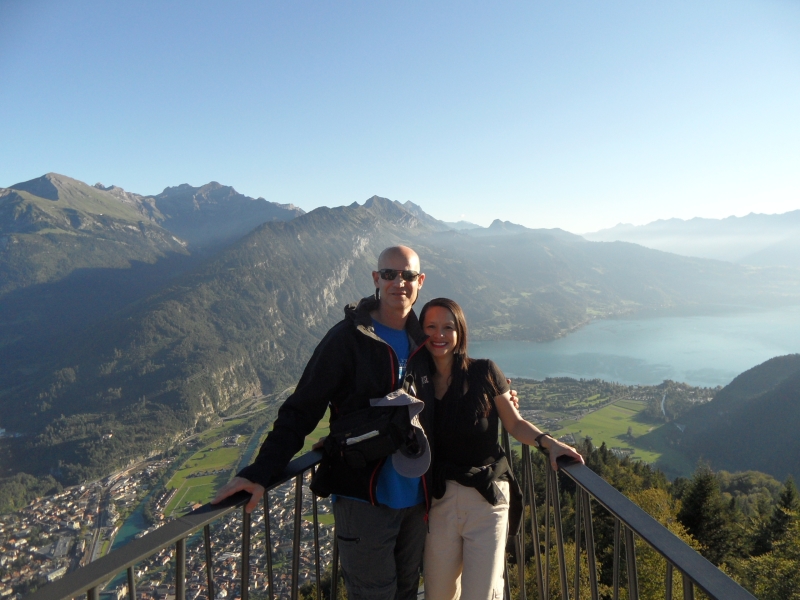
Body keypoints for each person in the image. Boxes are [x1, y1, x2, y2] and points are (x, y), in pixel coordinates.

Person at [212, 245, 434, 600]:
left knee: (407, 590)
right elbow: (302, 408)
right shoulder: (348, 339)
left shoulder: (424, 339)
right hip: (364, 498)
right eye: (389, 274)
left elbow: (450, 390)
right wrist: (261, 471)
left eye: (407, 275)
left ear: (420, 281)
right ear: (376, 279)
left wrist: (498, 394)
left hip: (416, 498)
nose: (399, 282)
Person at [419, 297, 585, 600]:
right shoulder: (417, 383)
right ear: (420, 332)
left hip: (486, 497)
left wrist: (548, 443)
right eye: (431, 327)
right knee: (438, 593)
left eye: (448, 327)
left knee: (481, 594)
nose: (439, 335)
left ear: (460, 332)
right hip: (440, 499)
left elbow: (515, 423)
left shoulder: (484, 372)